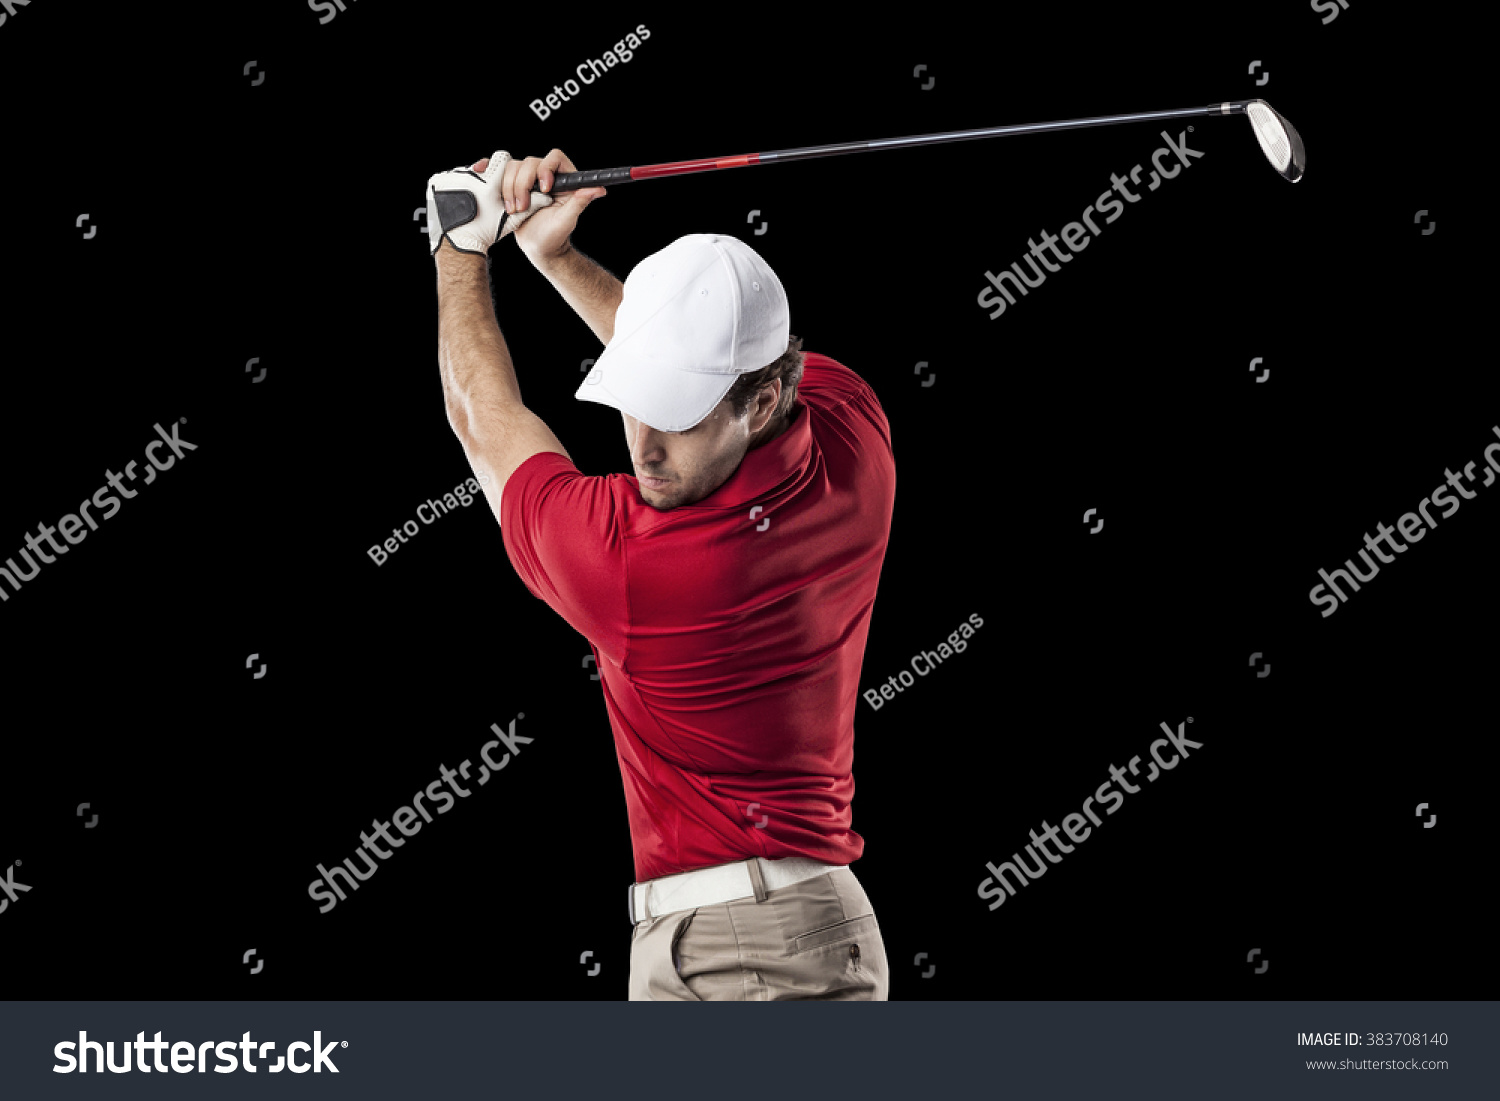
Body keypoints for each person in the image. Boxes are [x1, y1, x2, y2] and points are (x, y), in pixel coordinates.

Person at [426, 148, 897, 1000]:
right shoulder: (852, 428)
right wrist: (554, 257)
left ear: (761, 401)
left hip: (744, 954)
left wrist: (458, 245)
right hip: (781, 931)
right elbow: (720, 362)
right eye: (635, 395)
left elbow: (480, 418)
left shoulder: (639, 563)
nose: (643, 444)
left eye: (675, 414)